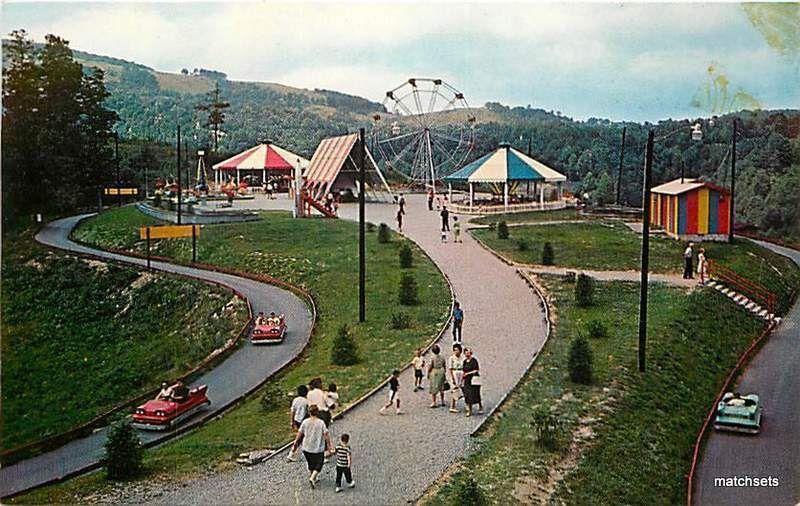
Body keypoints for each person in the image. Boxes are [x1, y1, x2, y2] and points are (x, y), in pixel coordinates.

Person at [290, 405, 333, 489]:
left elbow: (299, 434)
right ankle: (313, 477)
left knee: (310, 463)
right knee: (319, 463)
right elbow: (326, 435)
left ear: (309, 412)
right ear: (317, 412)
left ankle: (313, 477)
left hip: (306, 447)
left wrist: (295, 443)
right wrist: (329, 446)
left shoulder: (305, 422)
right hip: (318, 447)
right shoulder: (321, 423)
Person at [461, 348, 483, 416]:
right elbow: (463, 370)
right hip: (467, 380)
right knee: (467, 395)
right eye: (465, 352)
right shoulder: (464, 361)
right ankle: (469, 410)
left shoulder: (474, 361)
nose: (467, 354)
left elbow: (476, 370)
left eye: (468, 352)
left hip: (474, 379)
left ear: (471, 353)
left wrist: (468, 373)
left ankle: (480, 406)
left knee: (476, 393)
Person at [448, 344, 465, 413]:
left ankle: (467, 405)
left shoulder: (463, 358)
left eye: (457, 350)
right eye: (454, 350)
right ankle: (452, 406)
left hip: (461, 372)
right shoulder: (451, 358)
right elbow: (450, 369)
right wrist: (453, 378)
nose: (455, 352)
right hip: (455, 372)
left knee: (464, 388)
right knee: (455, 390)